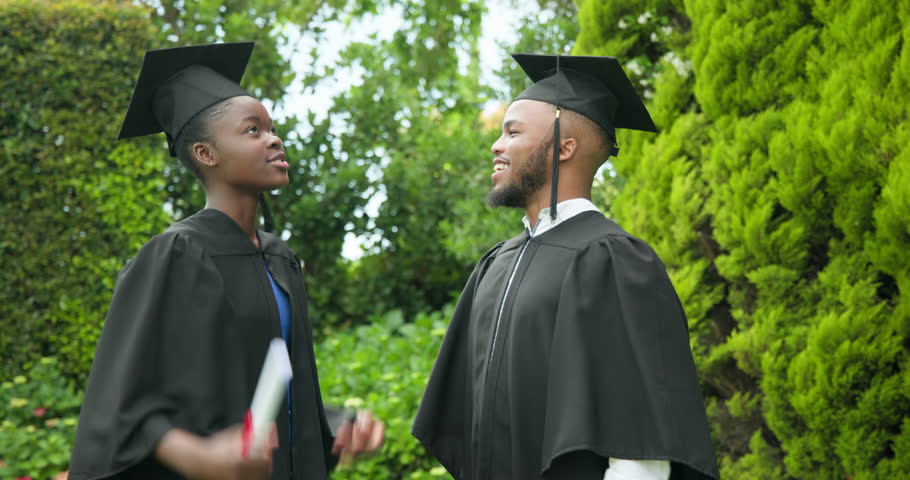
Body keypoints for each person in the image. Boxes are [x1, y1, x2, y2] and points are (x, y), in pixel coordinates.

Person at [68, 42, 383, 480]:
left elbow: (266, 391)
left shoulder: (279, 258)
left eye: (271, 127)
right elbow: (120, 406)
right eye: (253, 130)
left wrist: (334, 427)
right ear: (205, 153)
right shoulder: (175, 254)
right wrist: (197, 455)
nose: (274, 138)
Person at [412, 54, 720, 480]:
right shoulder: (495, 265)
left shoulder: (614, 259)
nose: (495, 146)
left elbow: (642, 445)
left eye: (512, 132)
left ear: (564, 147)